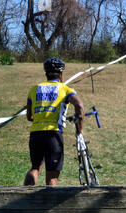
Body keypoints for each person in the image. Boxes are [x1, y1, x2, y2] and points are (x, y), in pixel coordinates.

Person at [24, 57, 85, 186]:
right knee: (52, 176)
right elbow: (79, 106)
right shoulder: (66, 89)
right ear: (61, 74)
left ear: (46, 73)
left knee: (35, 168)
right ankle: (48, 205)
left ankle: (23, 199)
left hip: (35, 134)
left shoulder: (34, 89)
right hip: (54, 134)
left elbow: (29, 116)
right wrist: (80, 130)